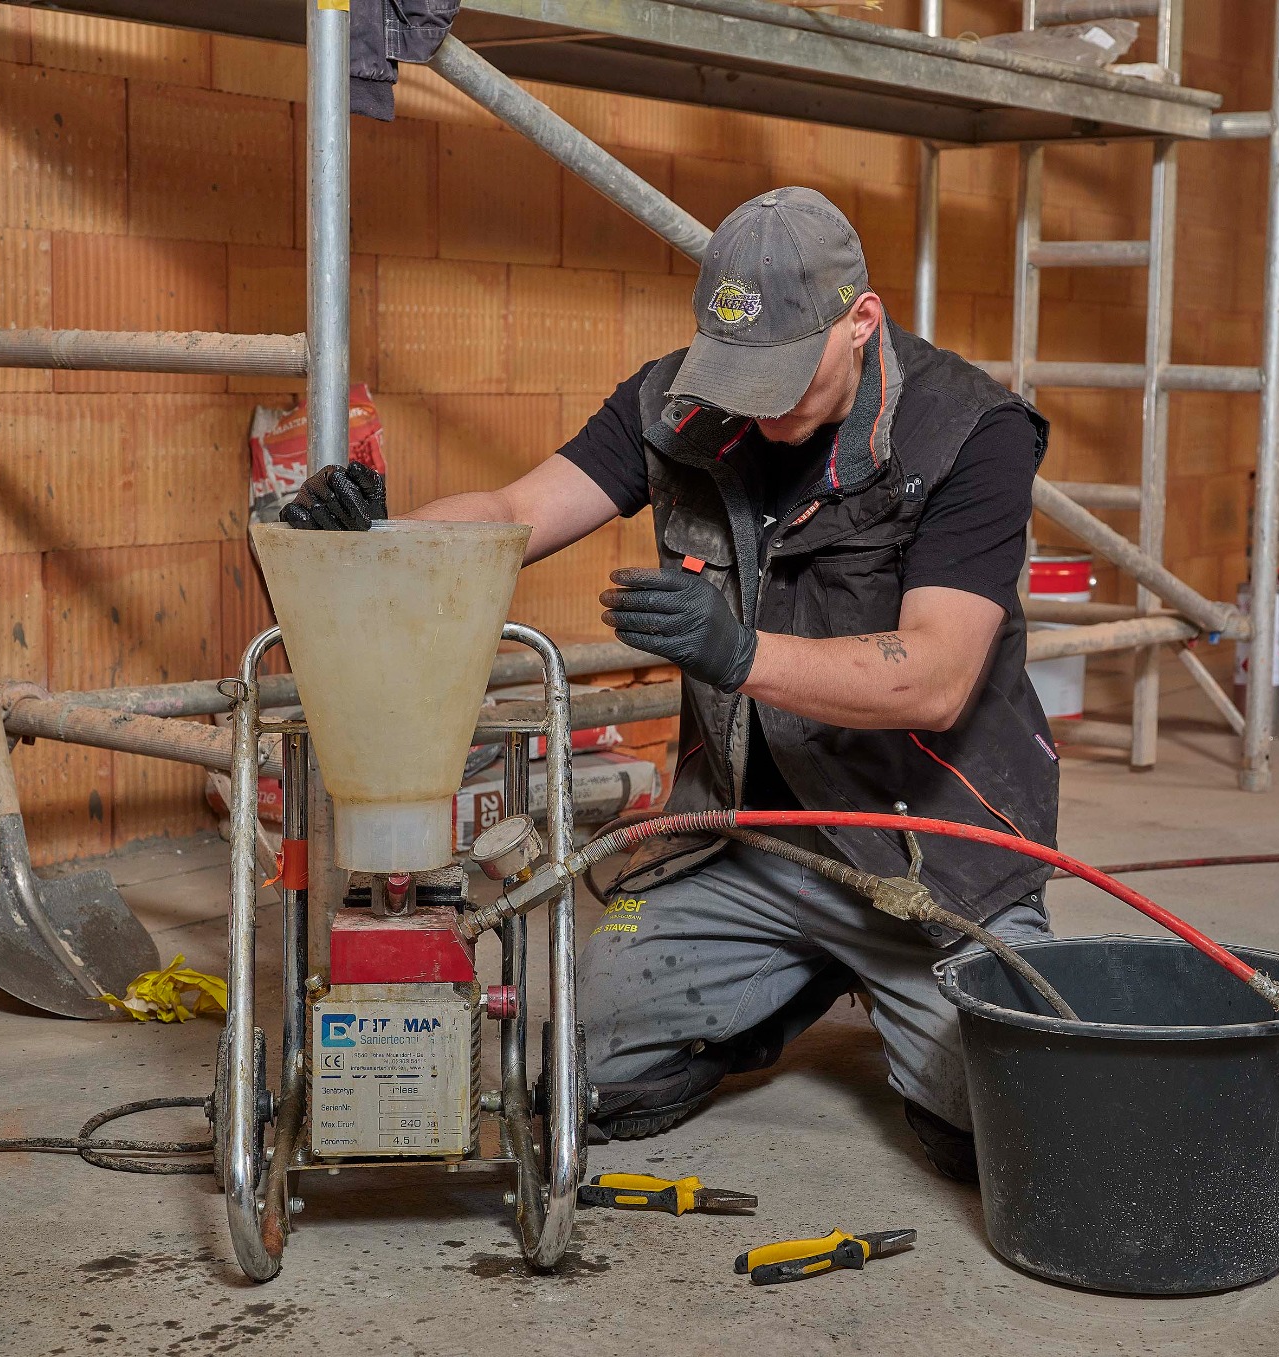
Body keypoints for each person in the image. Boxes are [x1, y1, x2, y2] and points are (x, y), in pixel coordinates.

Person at [282, 187, 1060, 1180]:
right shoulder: (678, 404)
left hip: (931, 857)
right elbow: (516, 510)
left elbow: (937, 677)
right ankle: (789, 976)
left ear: (862, 320)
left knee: (1007, 1119)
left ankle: (886, 978)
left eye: (785, 373)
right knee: (579, 1067)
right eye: (741, 372)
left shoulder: (968, 431)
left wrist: (741, 654)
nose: (760, 405)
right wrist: (376, 533)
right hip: (751, 842)